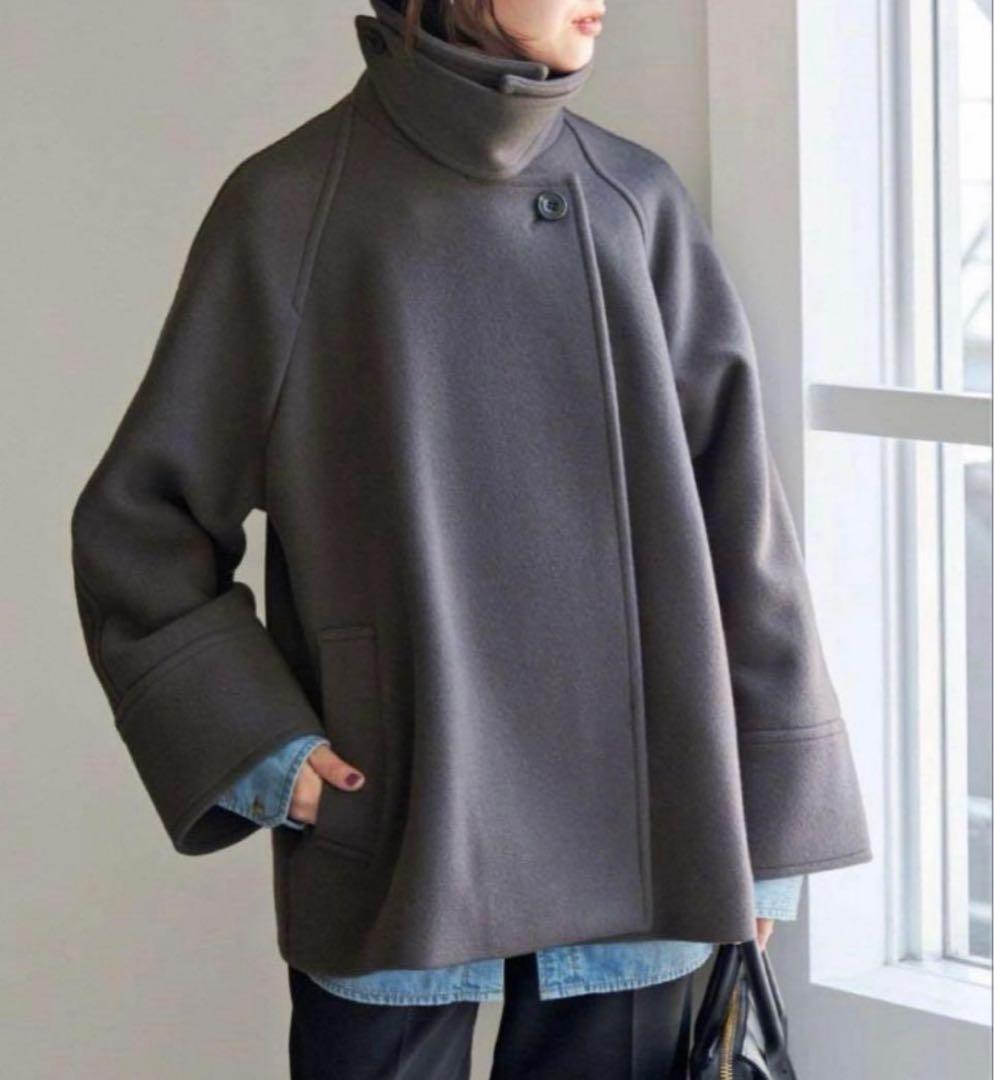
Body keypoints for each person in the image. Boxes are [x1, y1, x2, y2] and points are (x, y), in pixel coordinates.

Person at [69, 0, 873, 1076]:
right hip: (409, 826)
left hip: (647, 840)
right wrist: (268, 752)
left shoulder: (634, 199)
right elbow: (142, 522)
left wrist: (764, 831)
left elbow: (745, 534)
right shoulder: (292, 206)